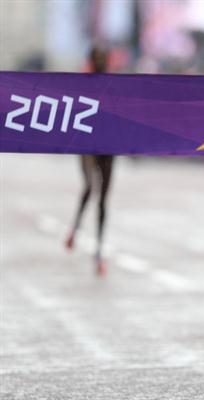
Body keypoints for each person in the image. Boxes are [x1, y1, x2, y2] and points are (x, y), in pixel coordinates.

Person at [64, 47, 115, 276]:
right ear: (92, 60)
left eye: (104, 58)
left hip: (108, 146)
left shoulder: (116, 85)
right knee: (89, 189)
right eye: (98, 58)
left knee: (103, 200)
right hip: (87, 145)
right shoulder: (83, 84)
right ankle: (75, 228)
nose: (102, 62)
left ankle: (98, 252)